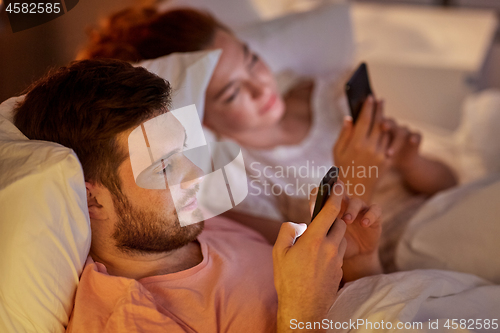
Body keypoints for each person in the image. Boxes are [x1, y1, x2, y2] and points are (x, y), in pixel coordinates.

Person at [13, 59, 383, 332]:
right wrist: (301, 314)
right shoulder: (127, 319)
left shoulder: (200, 223)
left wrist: (362, 262)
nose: (196, 174)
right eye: (164, 166)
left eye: (184, 152)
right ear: (94, 200)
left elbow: (353, 297)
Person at [77, 6, 457, 225]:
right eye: (232, 92)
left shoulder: (329, 92)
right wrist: (358, 177)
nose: (261, 87)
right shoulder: (239, 177)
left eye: (252, 61)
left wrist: (411, 161)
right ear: (201, 116)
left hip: (444, 208)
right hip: (402, 249)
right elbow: (322, 261)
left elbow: (448, 180)